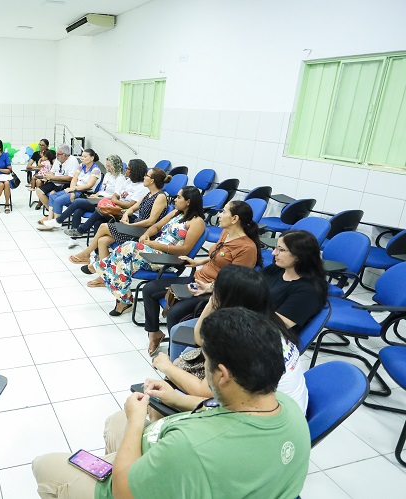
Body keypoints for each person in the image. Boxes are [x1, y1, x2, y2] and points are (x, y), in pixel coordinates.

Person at [32, 307, 310, 499]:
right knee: (117, 421)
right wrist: (173, 396)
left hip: (131, 487)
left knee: (44, 464)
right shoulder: (283, 405)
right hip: (180, 465)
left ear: (223, 375)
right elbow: (211, 408)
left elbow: (125, 492)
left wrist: (136, 420)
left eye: (207, 361)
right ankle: (115, 463)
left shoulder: (191, 447)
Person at [150, 264, 309, 415]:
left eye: (215, 289)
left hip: (263, 418)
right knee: (180, 365)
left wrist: (167, 366)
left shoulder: (239, 336)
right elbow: (199, 338)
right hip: (281, 409)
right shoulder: (267, 320)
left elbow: (203, 390)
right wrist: (215, 299)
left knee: (160, 401)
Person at [143, 200, 262, 355]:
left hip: (213, 292)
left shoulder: (246, 248)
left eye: (224, 212)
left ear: (235, 219)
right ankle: (155, 334)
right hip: (198, 280)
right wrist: (197, 262)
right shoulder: (226, 233)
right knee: (149, 289)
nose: (219, 215)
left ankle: (175, 359)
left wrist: (209, 287)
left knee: (174, 314)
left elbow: (235, 282)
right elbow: (217, 256)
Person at [87, 186, 206, 316]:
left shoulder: (197, 222)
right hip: (155, 250)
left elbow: (185, 249)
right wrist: (147, 234)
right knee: (123, 259)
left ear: (188, 201)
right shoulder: (177, 213)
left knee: (129, 248)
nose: (175, 200)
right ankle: (122, 299)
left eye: (178, 197)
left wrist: (155, 245)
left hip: (166, 258)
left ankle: (102, 268)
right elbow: (156, 226)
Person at [68, 167, 169, 266]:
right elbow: (132, 208)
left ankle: (86, 254)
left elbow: (151, 221)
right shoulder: (149, 194)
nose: (144, 177)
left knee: (103, 226)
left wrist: (131, 225)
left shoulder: (160, 196)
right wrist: (125, 215)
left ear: (152, 180)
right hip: (135, 227)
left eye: (146, 175)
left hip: (144, 232)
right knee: (102, 241)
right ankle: (104, 273)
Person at [37, 154, 125, 233]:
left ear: (115, 166)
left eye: (109, 166)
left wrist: (99, 197)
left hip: (107, 202)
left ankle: (58, 221)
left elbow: (115, 197)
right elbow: (102, 189)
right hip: (97, 198)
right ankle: (73, 237)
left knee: (78, 202)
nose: (107, 168)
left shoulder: (120, 178)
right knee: (78, 211)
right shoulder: (108, 175)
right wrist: (96, 194)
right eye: (107, 166)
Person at [262, 230, 328, 330]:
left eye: (282, 250)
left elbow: (275, 326)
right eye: (276, 247)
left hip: (269, 336)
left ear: (299, 256)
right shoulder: (277, 269)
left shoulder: (308, 291)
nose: (274, 252)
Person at [40, 148, 101, 224]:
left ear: (92, 158)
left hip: (83, 192)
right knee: (52, 197)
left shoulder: (96, 170)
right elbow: (74, 179)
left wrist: (74, 189)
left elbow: (89, 185)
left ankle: (56, 223)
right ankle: (50, 220)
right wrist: (72, 190)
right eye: (82, 156)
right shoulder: (81, 165)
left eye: (85, 157)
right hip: (74, 189)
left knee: (58, 200)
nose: (82, 158)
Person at [35, 143, 79, 212]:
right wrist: (47, 176)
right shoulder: (57, 160)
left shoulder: (72, 160)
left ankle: (54, 213)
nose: (56, 156)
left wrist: (53, 177)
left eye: (58, 154)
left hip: (66, 183)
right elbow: (52, 172)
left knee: (53, 193)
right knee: (39, 191)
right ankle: (51, 211)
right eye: (56, 153)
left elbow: (71, 178)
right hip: (55, 181)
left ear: (65, 155)